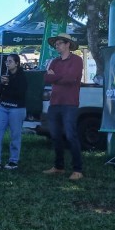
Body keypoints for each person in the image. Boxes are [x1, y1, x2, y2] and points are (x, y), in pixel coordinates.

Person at [42, 32, 84, 180]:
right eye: (56, 44)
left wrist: (55, 77)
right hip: (54, 103)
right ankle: (59, 167)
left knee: (71, 135)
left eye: (59, 43)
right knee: (55, 136)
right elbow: (46, 77)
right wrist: (55, 77)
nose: (56, 46)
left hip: (70, 104)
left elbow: (71, 79)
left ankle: (77, 169)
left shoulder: (77, 60)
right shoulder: (54, 61)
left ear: (68, 44)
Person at [0, 53, 28, 170]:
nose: (7, 63)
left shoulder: (21, 76)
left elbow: (20, 94)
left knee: (15, 135)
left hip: (17, 109)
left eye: (10, 61)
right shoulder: (5, 75)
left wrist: (8, 85)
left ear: (17, 63)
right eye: (6, 61)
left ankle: (13, 161)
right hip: (3, 108)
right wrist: (1, 84)